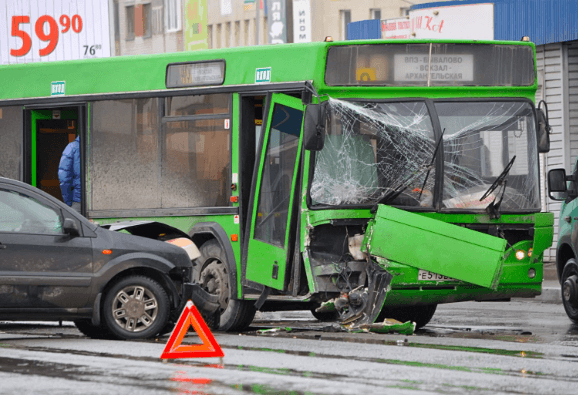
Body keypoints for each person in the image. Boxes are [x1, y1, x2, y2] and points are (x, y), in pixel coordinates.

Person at [58, 135, 81, 213]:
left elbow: (64, 178)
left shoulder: (72, 147)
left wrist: (68, 202)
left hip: (78, 200)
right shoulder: (102, 146)